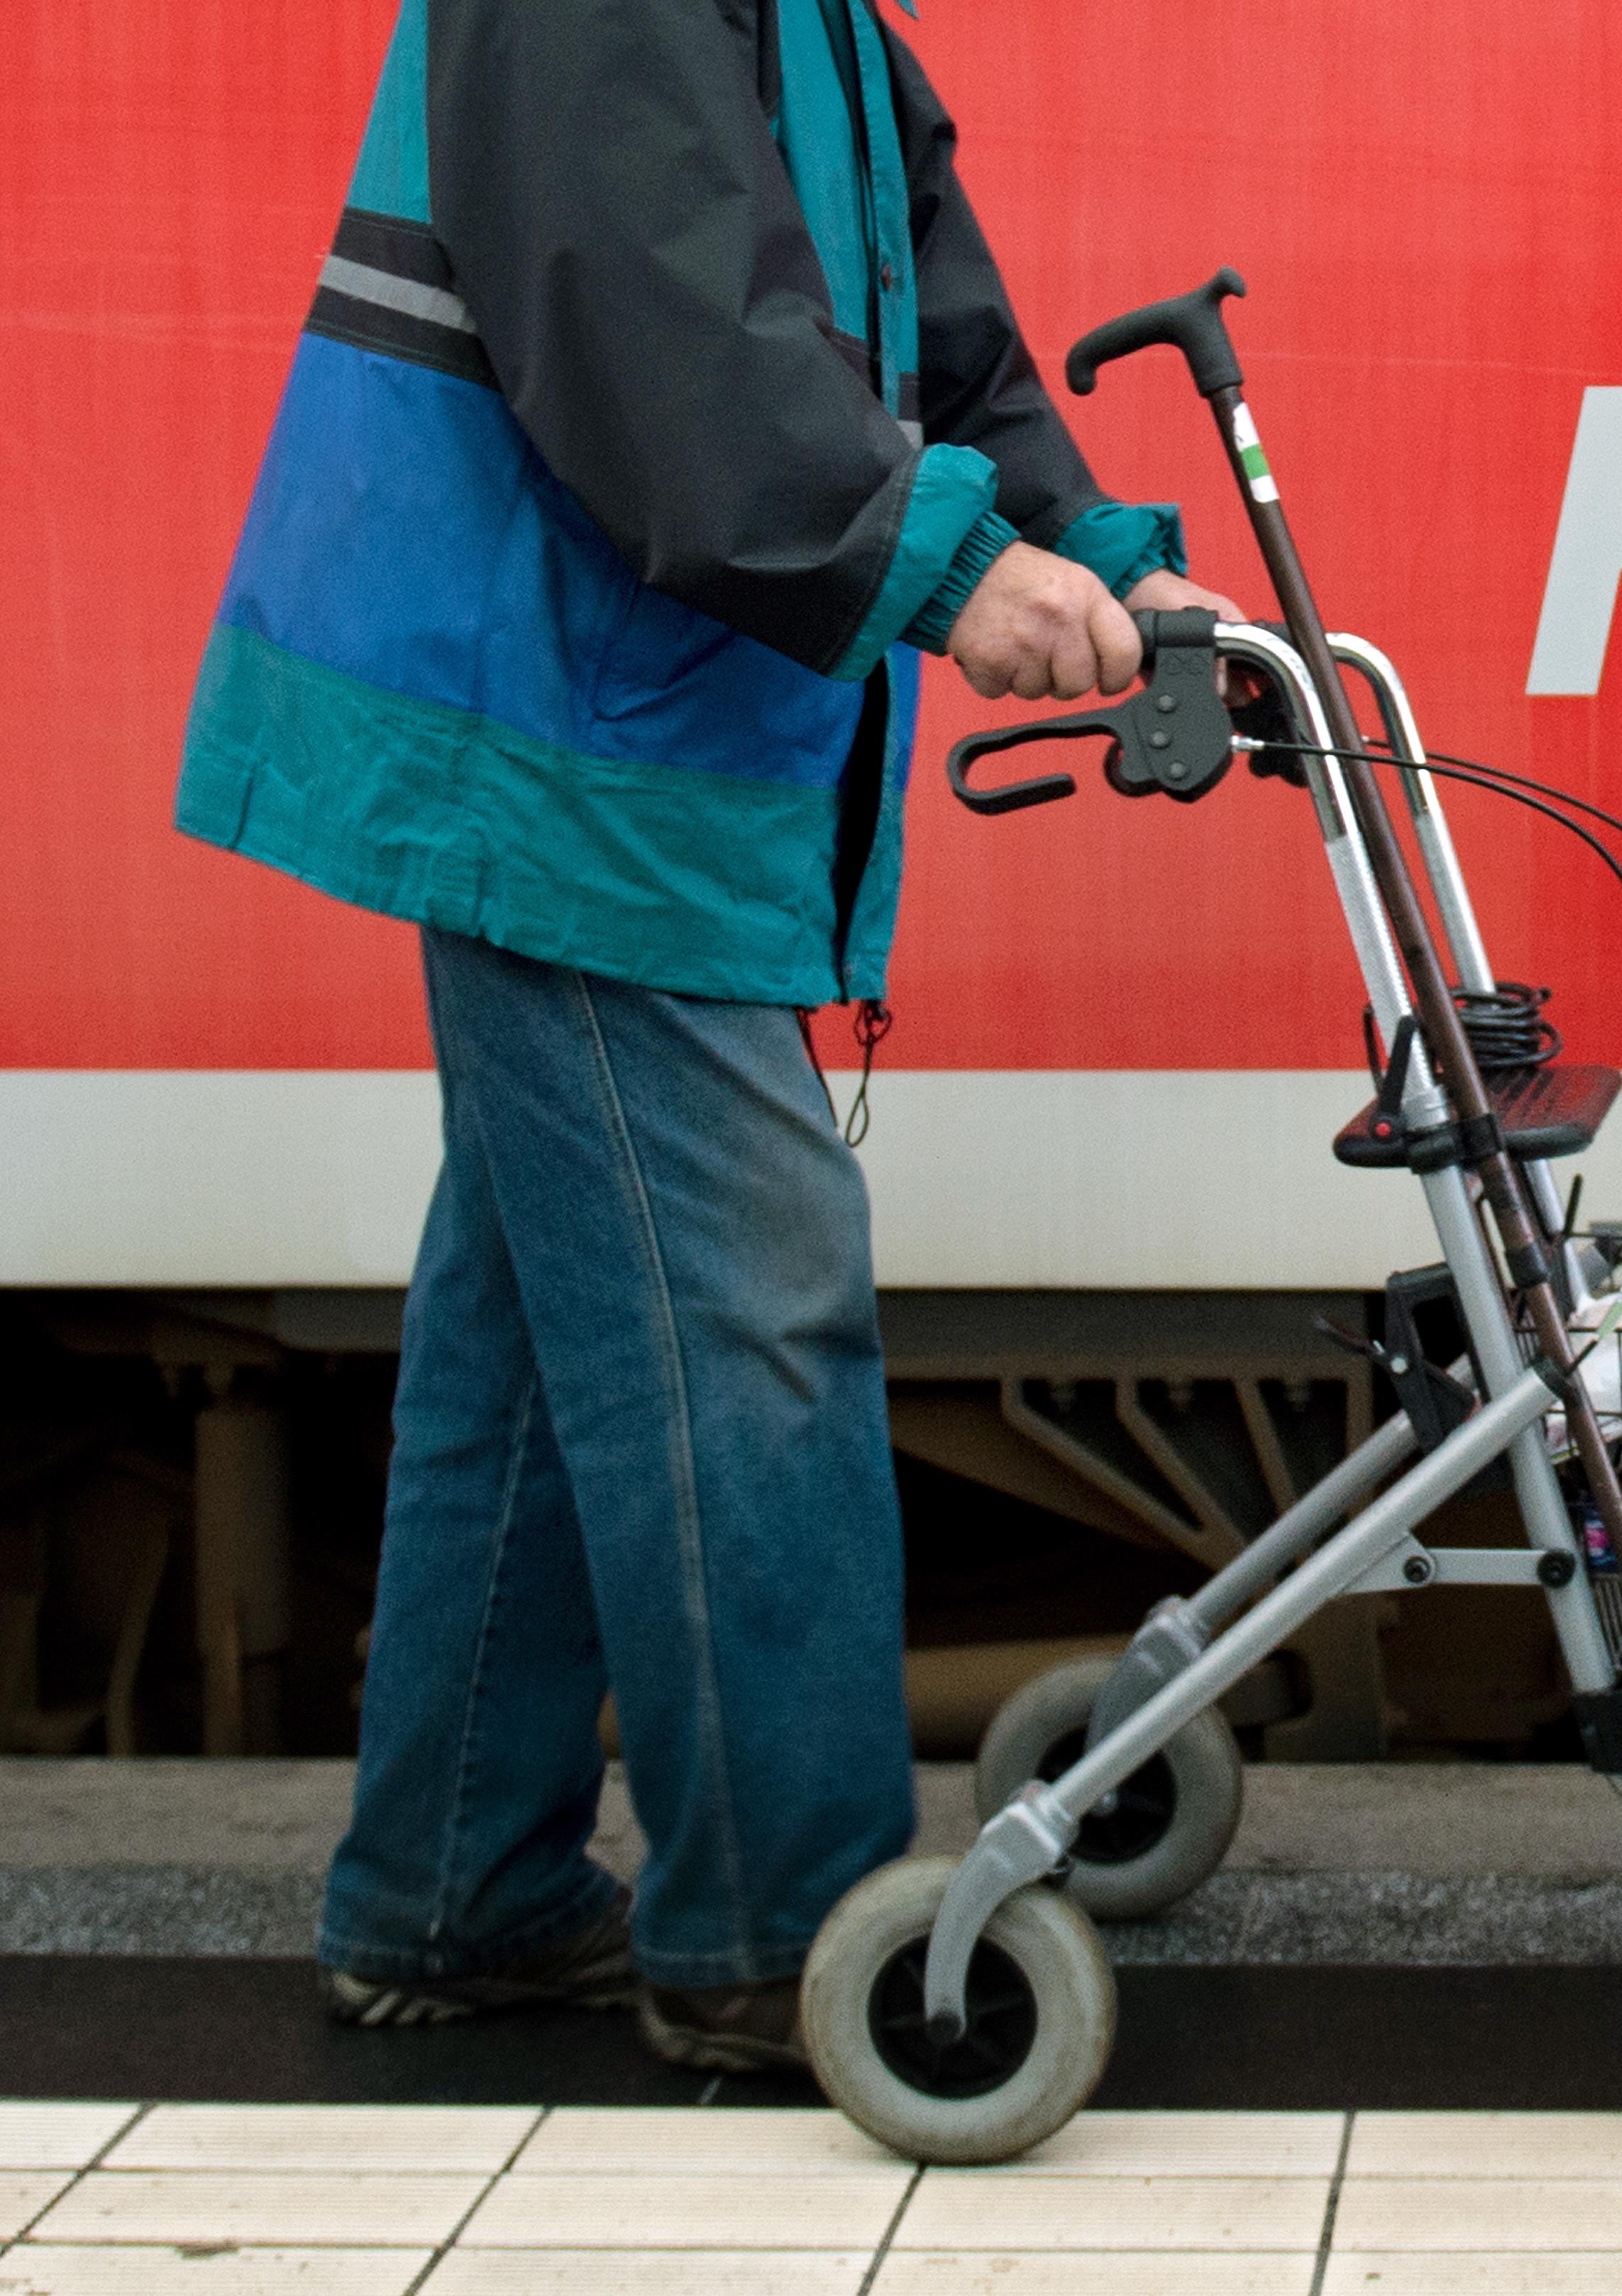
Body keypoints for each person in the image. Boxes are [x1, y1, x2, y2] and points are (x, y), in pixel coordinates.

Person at [172, 0, 1236, 2072]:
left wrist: (1102, 556)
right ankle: (790, 1931)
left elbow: (932, 332)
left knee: (549, 1358)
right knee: (749, 1311)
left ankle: (450, 1898)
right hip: (563, 748)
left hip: (626, 737)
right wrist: (948, 573)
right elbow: (671, 338)